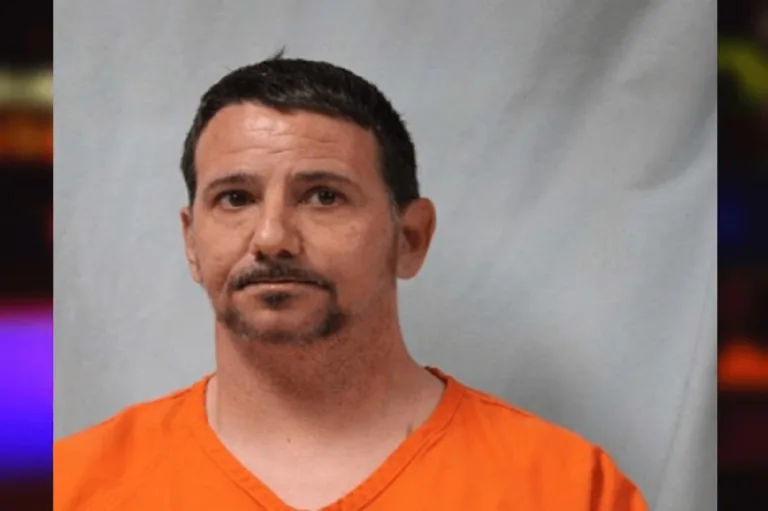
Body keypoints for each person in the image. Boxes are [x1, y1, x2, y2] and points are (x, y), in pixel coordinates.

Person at [54, 53, 648, 511]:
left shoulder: (567, 489)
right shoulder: (75, 486)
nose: (272, 238)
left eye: (323, 196)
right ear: (191, 241)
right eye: (235, 198)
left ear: (410, 237)